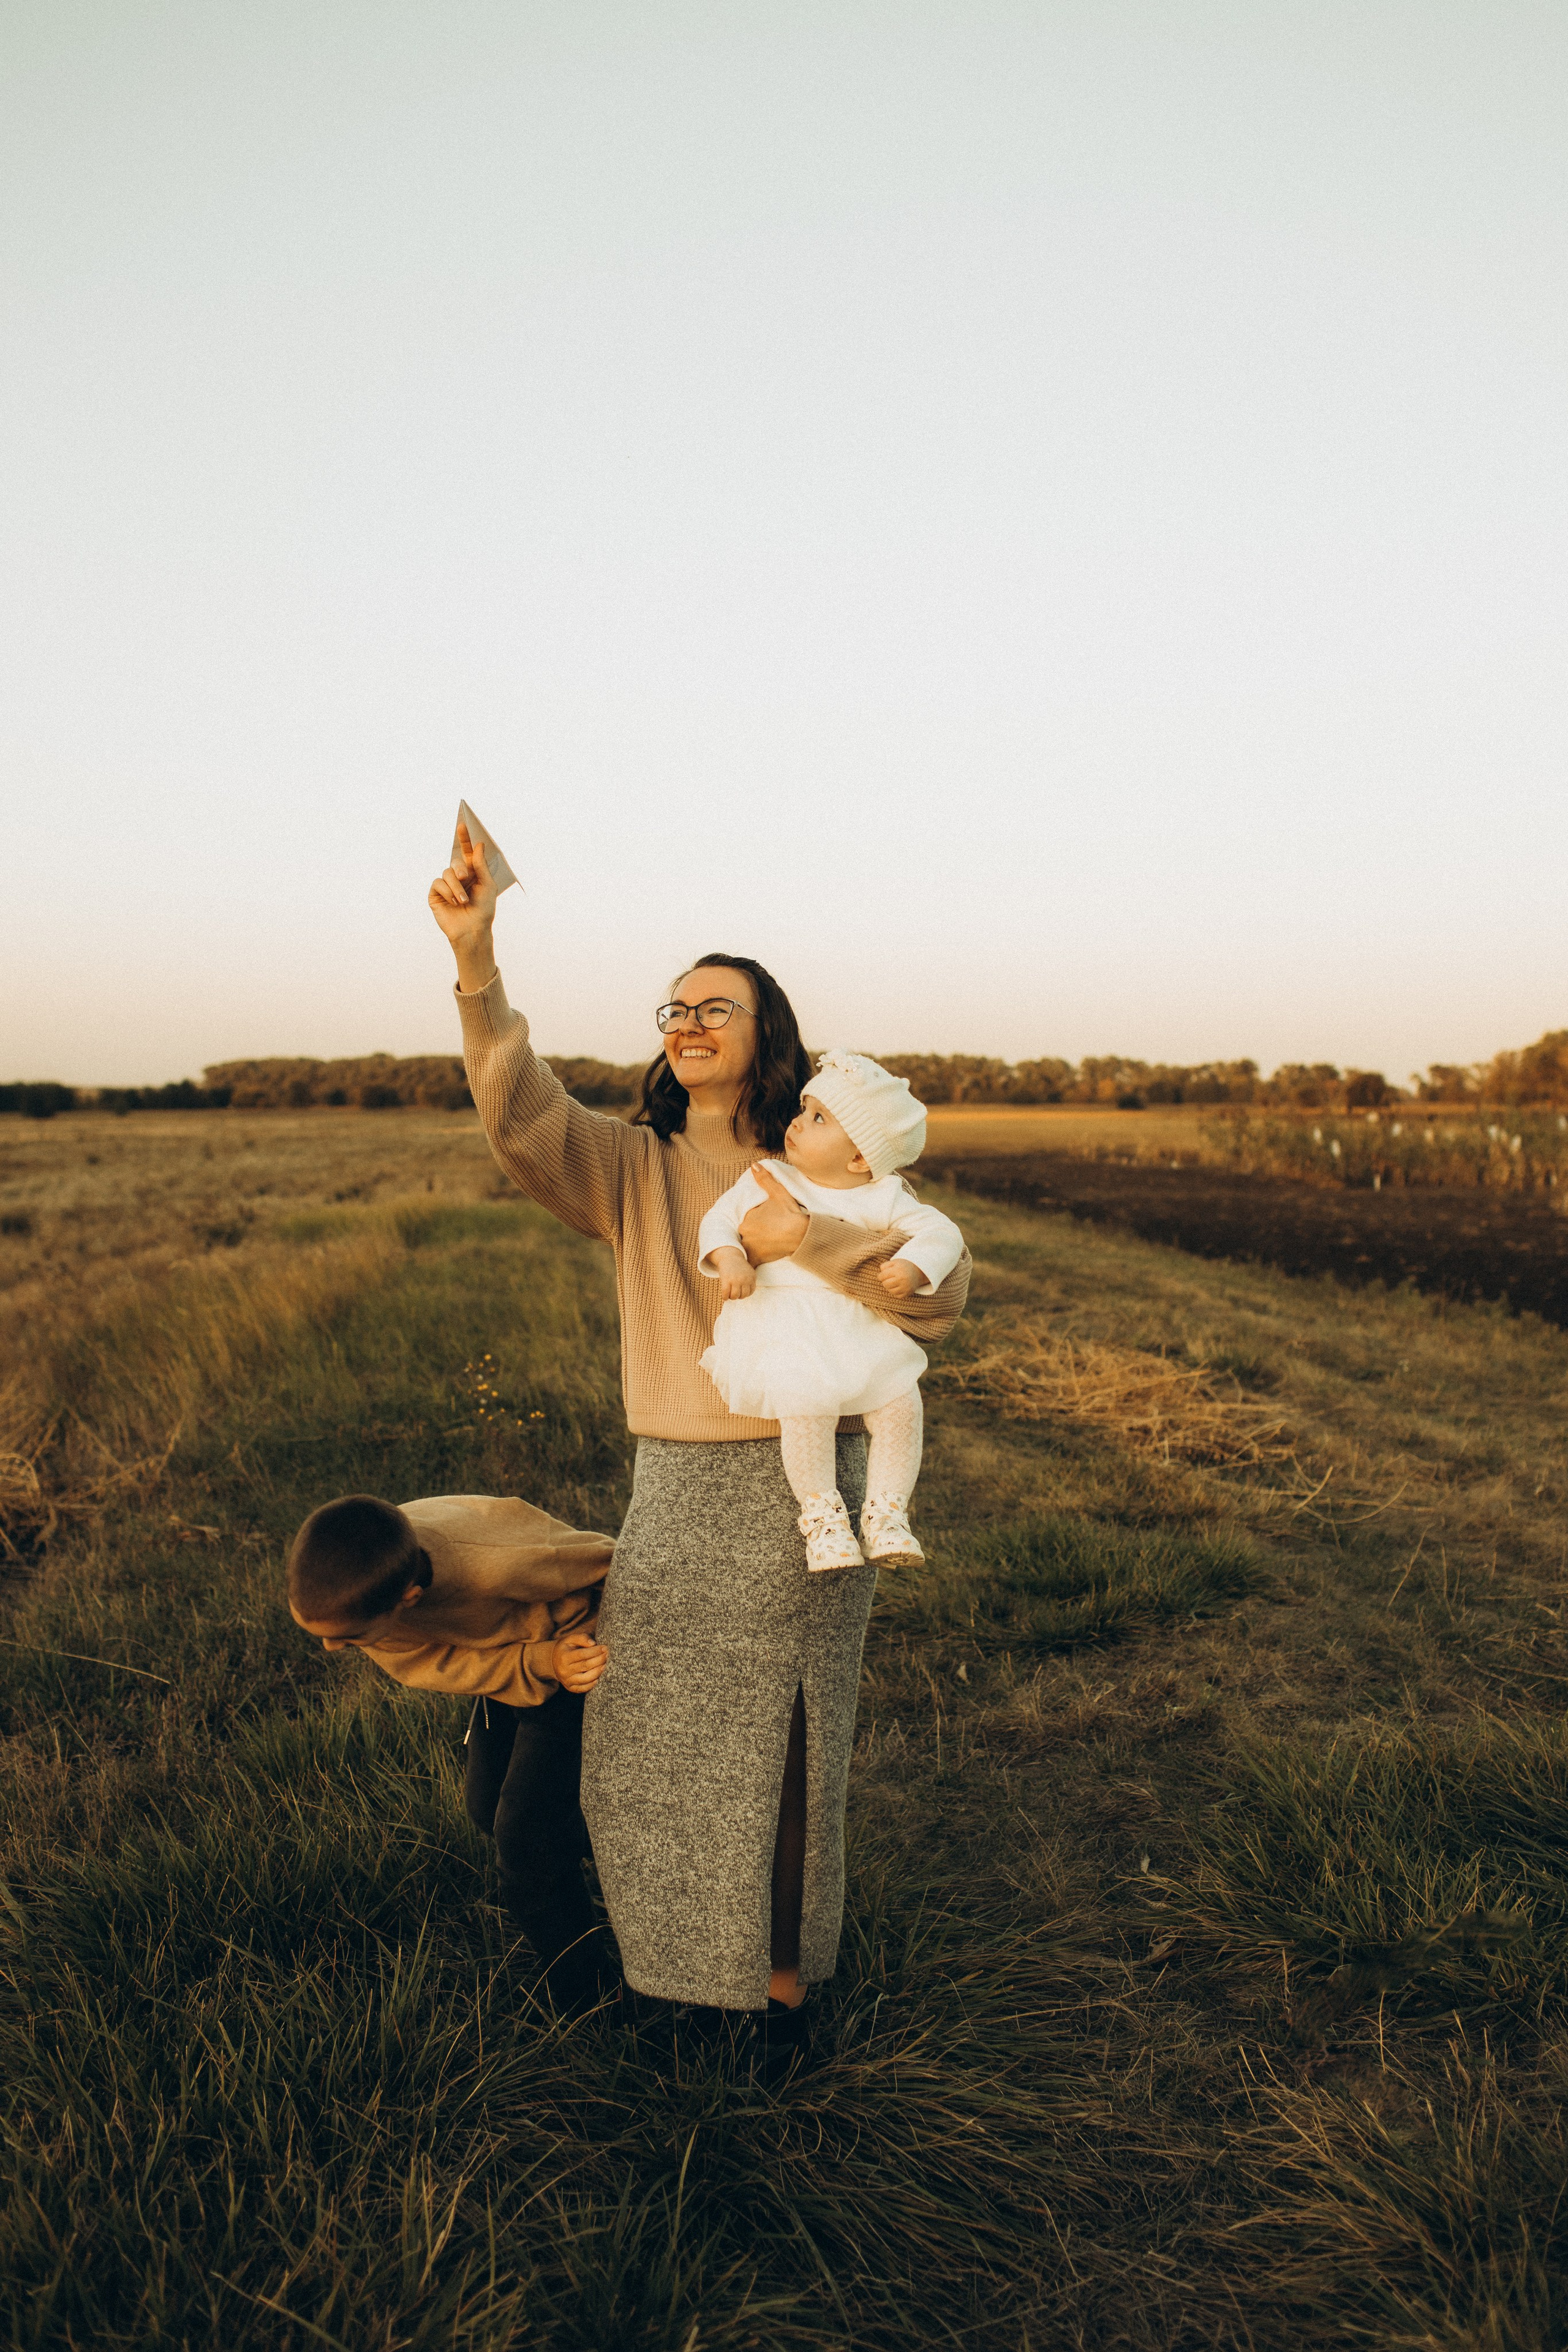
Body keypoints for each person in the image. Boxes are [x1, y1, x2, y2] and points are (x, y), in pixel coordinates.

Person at [428, 824, 971, 2061]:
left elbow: (930, 1295)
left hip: (799, 1493)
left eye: (713, 1006)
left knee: (783, 1753)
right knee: (646, 1754)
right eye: (672, 1006)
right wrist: (476, 958)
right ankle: (672, 1985)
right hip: (672, 1490)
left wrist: (804, 1242)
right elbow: (516, 1116)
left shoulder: (826, 1164)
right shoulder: (630, 1166)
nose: (685, 1020)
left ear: (763, 1033)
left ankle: (778, 2005)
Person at [287, 1490, 616, 2011]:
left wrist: (574, 1650)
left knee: (525, 1841)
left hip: (578, 1661)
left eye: (349, 1639)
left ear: (408, 1599)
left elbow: (609, 1560)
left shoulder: (492, 1561)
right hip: (516, 1666)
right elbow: (443, 1663)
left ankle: (596, 2003)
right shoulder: (364, 1582)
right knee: (488, 1809)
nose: (331, 1648)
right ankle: (622, 1859)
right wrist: (534, 1661)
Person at [698, 1050, 964, 1574]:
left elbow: (942, 1233)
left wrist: (913, 1266)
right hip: (787, 1332)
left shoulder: (886, 1195)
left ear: (861, 1158)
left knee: (901, 1404)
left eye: (819, 1117)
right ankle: (823, 1522)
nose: (797, 1122)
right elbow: (719, 1221)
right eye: (804, 1109)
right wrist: (729, 1258)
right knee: (806, 1409)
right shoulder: (770, 1176)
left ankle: (887, 1516)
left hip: (857, 1330)